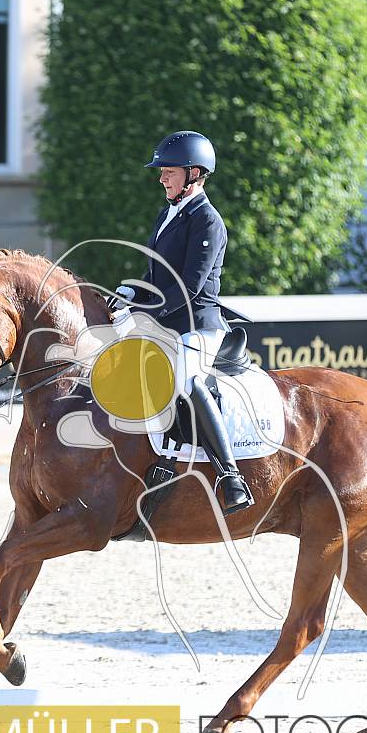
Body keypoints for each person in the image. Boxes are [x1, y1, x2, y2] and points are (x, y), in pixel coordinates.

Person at [117, 130, 253, 514]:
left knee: (187, 381)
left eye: (169, 171)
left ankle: (231, 478)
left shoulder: (207, 220)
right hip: (166, 322)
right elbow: (157, 276)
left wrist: (144, 313)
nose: (162, 178)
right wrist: (129, 294)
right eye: (162, 172)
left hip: (198, 325)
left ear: (194, 173)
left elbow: (189, 286)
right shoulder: (168, 214)